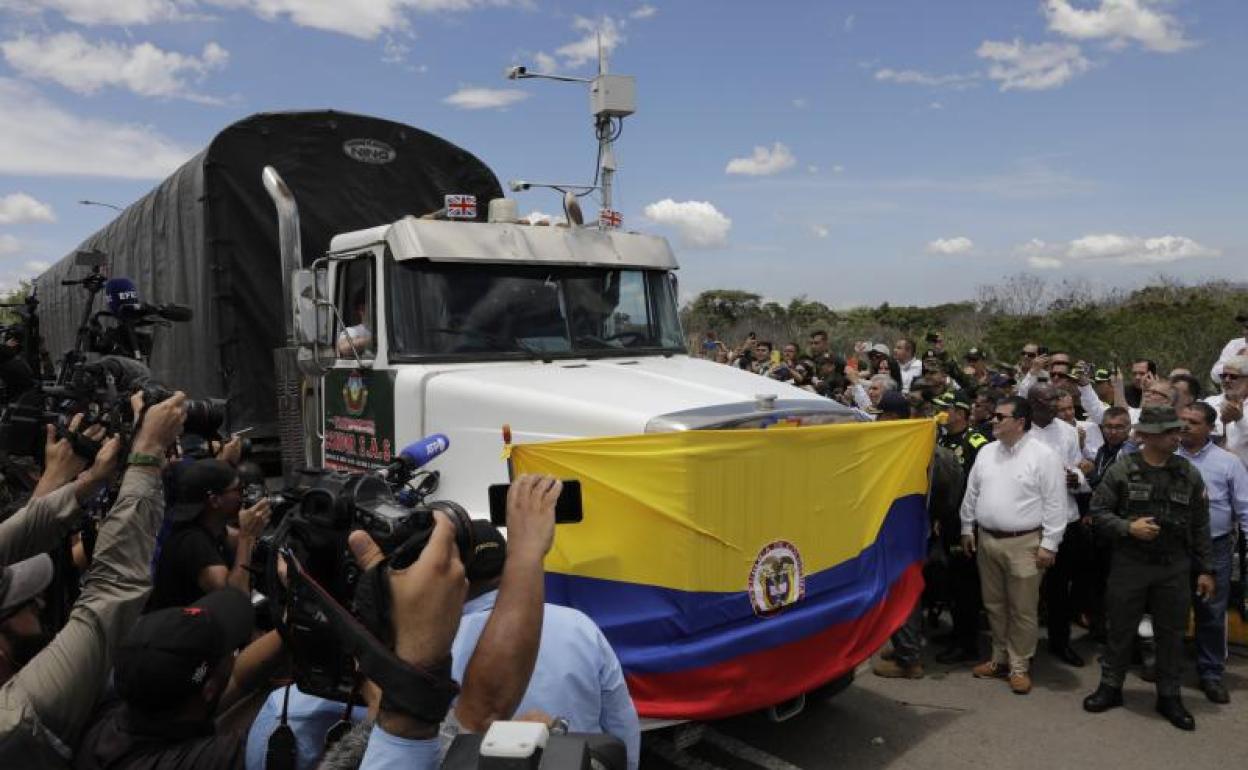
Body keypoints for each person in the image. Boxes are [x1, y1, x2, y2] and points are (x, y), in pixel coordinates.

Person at [0, 395, 187, 767]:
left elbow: (13, 536)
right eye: (22, 603)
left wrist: (90, 483)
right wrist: (146, 455)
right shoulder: (16, 720)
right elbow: (112, 590)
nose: (40, 602)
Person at [1083, 406, 1214, 731]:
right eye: (1171, 432)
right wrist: (1129, 528)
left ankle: (1169, 695)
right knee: (1120, 629)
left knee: (1171, 634)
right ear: (1149, 437)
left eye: (1178, 430)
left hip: (1174, 567)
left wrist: (1206, 569)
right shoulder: (1122, 471)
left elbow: (1200, 525)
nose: (1177, 436)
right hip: (1131, 565)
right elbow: (1097, 513)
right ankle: (1110, 686)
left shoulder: (1188, 473)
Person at [73, 590, 284, 770]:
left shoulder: (109, 717)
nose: (236, 655)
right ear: (208, 690)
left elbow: (236, 679)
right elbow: (284, 739)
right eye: (232, 650)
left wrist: (288, 629)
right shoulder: (203, 761)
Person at [959, 396, 1066, 695]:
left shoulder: (1043, 455)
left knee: (1022, 609)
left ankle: (1019, 667)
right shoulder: (987, 452)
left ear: (1020, 422)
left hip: (1026, 543)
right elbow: (972, 492)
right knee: (994, 605)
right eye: (994, 415)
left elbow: (1055, 503)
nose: (993, 420)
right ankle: (999, 658)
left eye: (1000, 416)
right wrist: (967, 526)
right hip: (988, 540)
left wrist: (1050, 544)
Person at [1176, 402, 1248, 704]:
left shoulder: (1228, 463)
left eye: (1193, 422)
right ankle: (1169, 668)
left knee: (1211, 613)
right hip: (1174, 548)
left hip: (1215, 548)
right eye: (1183, 421)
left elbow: (1244, 509)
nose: (1185, 427)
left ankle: (1211, 673)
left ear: (1210, 427)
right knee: (1171, 609)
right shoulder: (1167, 458)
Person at [146, 459, 271, 611]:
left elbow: (240, 541)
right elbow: (235, 601)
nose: (243, 495)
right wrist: (247, 536)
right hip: (185, 632)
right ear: (215, 500)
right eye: (238, 489)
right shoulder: (191, 542)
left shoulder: (213, 528)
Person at [932, 392, 988, 664]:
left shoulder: (976, 442)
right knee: (951, 582)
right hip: (946, 520)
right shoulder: (941, 438)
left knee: (965, 586)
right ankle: (956, 632)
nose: (941, 412)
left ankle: (968, 644)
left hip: (968, 523)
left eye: (947, 409)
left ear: (962, 413)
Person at [1205, 355, 1248, 467]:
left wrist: (1240, 420)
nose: (1227, 380)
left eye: (1233, 376)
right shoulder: (1209, 403)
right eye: (1224, 376)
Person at [1209, 310, 1248, 385]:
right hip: (1234, 394)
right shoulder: (1234, 344)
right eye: (1246, 327)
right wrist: (1235, 361)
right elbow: (1214, 374)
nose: (1246, 332)